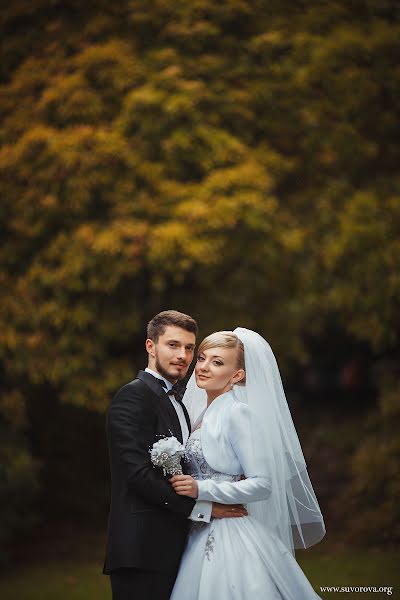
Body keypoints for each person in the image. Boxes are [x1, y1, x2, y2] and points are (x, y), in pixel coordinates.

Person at [170, 328, 326, 600]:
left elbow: (262, 484)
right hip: (199, 525)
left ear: (237, 375)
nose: (204, 367)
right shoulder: (198, 416)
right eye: (203, 358)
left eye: (217, 362)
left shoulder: (237, 413)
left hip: (228, 530)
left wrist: (201, 489)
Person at [103, 311, 247, 600]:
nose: (183, 355)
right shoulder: (132, 398)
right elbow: (138, 475)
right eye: (173, 345)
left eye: (189, 348)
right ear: (150, 346)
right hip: (141, 551)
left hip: (179, 546)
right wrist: (204, 509)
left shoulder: (180, 404)